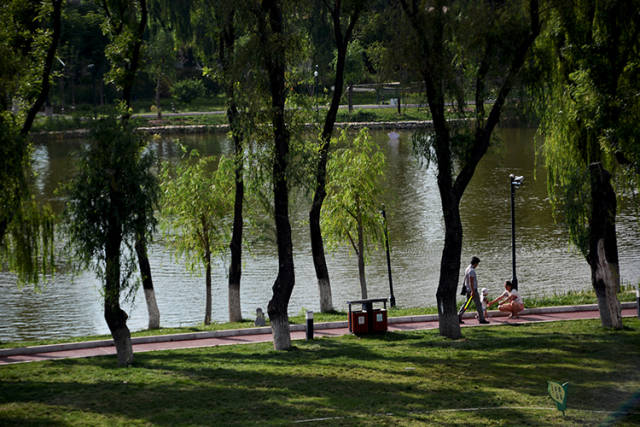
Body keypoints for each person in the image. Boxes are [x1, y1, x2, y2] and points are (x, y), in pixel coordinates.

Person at [458, 256, 489, 324]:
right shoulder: (471, 271)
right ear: (475, 263)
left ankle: (459, 316)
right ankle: (481, 319)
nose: (477, 266)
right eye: (477, 264)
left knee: (467, 304)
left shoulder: (467, 269)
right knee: (478, 305)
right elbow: (471, 281)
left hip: (468, 289)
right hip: (473, 291)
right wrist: (472, 291)